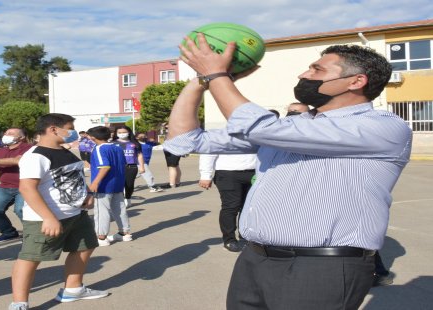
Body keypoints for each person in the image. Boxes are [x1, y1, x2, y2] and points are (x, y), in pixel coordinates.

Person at [167, 36, 411, 309]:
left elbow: (261, 128)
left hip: (322, 266)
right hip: (255, 260)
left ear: (356, 81)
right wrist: (199, 81)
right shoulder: (291, 128)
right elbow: (184, 140)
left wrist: (217, 75)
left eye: (317, 70)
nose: (303, 74)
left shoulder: (382, 127)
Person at [10, 113, 108, 310]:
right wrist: (48, 218)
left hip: (75, 214)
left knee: (85, 246)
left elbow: (72, 178)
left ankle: (72, 290)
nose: (73, 132)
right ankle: (19, 303)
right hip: (46, 219)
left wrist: (86, 194)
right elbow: (27, 188)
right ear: (54, 129)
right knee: (31, 258)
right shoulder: (36, 156)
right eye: (70, 127)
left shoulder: (64, 151)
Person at [198, 154, 256, 252]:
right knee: (231, 206)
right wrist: (205, 175)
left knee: (249, 207)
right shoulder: (219, 137)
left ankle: (245, 237)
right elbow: (209, 151)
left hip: (254, 171)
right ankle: (229, 240)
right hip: (227, 172)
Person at [87, 126, 130, 247]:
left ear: (93, 137)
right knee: (120, 209)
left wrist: (95, 183)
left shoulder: (99, 148)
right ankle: (124, 233)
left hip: (104, 185)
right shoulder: (117, 147)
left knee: (102, 211)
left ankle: (101, 237)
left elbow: (105, 166)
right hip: (118, 183)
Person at [111, 125, 145, 207]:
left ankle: (128, 198)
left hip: (131, 167)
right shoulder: (112, 143)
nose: (122, 134)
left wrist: (142, 166)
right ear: (116, 133)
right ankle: (121, 201)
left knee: (129, 185)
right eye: (119, 132)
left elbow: (139, 155)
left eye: (124, 132)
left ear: (129, 132)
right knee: (119, 184)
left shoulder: (134, 143)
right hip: (117, 168)